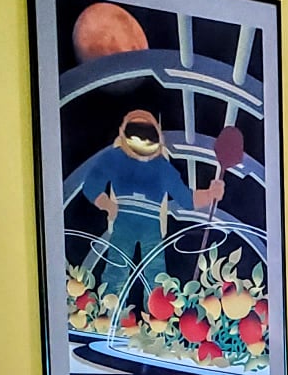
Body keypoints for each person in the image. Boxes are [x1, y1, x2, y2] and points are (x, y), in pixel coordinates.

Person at [80, 109, 223, 294]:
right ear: (124, 133)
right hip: (124, 220)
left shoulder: (162, 166)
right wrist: (106, 204)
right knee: (116, 271)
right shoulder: (115, 157)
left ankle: (156, 310)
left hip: (151, 224)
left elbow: (186, 199)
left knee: (156, 275)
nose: (142, 139)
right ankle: (109, 308)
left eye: (148, 133)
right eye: (135, 132)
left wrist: (211, 194)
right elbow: (91, 185)